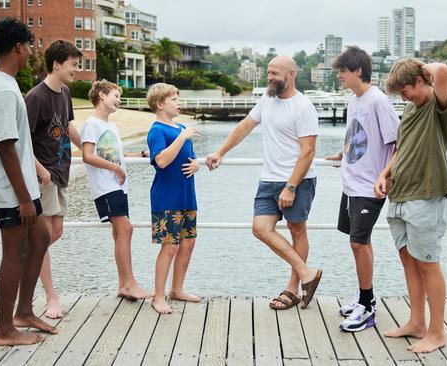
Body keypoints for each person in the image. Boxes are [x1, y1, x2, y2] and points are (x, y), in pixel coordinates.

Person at [206, 56, 322, 310]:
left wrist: (291, 186)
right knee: (260, 228)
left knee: (296, 229)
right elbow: (245, 127)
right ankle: (306, 273)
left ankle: (293, 289)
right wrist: (220, 152)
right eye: (268, 73)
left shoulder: (303, 107)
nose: (270, 77)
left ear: (291, 74)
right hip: (268, 178)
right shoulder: (266, 100)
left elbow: (308, 152)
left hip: (297, 180)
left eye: (274, 73)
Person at [0, 17, 57, 345]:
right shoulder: (1, 89)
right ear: (18, 47)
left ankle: (24, 311)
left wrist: (33, 176)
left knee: (40, 237)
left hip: (21, 184)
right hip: (10, 190)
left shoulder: (5, 83)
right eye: (29, 47)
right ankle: (4, 330)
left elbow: (16, 147)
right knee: (13, 253)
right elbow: (6, 147)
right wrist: (24, 198)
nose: (30, 53)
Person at [375, 58, 447, 353]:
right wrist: (385, 173)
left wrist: (413, 66)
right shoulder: (410, 110)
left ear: (421, 81)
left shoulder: (439, 106)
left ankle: (437, 333)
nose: (403, 97)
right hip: (399, 197)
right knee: (409, 261)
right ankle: (417, 323)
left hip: (426, 196)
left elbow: (443, 71)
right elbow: (402, 148)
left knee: (427, 263)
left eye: (405, 90)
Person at [325, 46, 399, 332]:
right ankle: (364, 297)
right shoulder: (355, 101)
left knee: (357, 243)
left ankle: (367, 306)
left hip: (370, 186)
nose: (339, 76)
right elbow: (356, 136)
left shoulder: (377, 101)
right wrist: (343, 154)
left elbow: (397, 143)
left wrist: (384, 175)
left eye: (342, 71)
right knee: (361, 241)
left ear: (358, 71)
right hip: (351, 183)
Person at [24, 40, 82, 319]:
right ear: (57, 64)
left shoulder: (65, 93)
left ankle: (27, 256)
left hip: (61, 173)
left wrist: (89, 149)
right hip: (44, 176)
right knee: (45, 235)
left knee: (56, 232)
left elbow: (68, 125)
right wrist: (40, 170)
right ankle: (50, 296)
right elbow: (20, 140)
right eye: (73, 64)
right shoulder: (36, 97)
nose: (77, 69)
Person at [80, 80, 152, 300]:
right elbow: (88, 156)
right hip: (106, 185)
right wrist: (117, 169)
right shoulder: (92, 124)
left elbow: (113, 154)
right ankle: (131, 284)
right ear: (102, 95)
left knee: (120, 232)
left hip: (118, 185)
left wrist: (139, 156)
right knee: (126, 229)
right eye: (116, 96)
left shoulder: (110, 125)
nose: (119, 101)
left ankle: (123, 285)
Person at [146, 83, 201, 314]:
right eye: (173, 99)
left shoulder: (179, 127)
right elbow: (161, 160)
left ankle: (176, 289)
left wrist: (198, 164)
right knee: (170, 247)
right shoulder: (158, 130)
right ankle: (158, 297)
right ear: (160, 104)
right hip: (166, 197)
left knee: (188, 244)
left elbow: (191, 158)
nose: (179, 103)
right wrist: (182, 135)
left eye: (178, 98)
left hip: (187, 195)